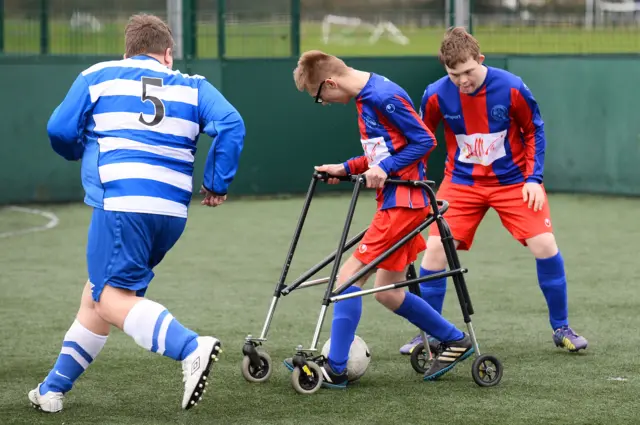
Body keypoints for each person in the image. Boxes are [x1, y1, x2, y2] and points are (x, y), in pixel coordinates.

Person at [28, 14, 245, 413]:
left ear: (126, 51)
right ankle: (52, 389)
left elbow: (59, 129)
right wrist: (216, 183)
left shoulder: (100, 74)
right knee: (98, 296)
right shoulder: (195, 86)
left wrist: (80, 150)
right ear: (167, 54)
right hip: (171, 215)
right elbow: (232, 123)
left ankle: (190, 347)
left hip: (122, 205)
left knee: (110, 300)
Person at [284, 50, 476, 387]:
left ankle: (337, 369)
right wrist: (346, 168)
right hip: (394, 202)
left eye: (319, 96)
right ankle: (455, 340)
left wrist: (383, 169)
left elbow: (425, 140)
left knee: (345, 282)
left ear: (330, 82)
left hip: (403, 204)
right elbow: (382, 152)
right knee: (387, 292)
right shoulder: (364, 98)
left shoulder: (383, 97)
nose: (324, 102)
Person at [399, 27, 588, 356]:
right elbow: (422, 139)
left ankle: (561, 328)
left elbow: (533, 131)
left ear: (480, 60)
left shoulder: (512, 87)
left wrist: (534, 178)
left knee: (544, 245)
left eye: (468, 72)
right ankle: (430, 333)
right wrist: (414, 181)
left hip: (514, 182)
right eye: (454, 74)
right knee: (434, 253)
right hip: (461, 183)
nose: (463, 81)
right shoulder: (435, 94)